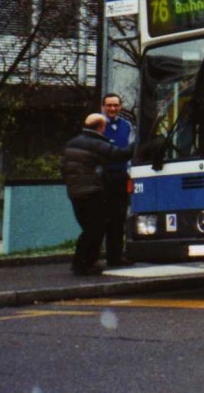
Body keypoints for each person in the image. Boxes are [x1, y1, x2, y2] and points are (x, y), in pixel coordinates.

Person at [60, 113, 133, 276]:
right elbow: (119, 154)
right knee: (96, 228)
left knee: (88, 228)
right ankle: (84, 264)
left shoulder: (73, 142)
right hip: (91, 190)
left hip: (75, 191)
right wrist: (137, 145)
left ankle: (82, 263)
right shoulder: (95, 143)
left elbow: (63, 168)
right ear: (101, 127)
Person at [99, 93, 134, 266]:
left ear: (120, 107)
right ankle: (98, 257)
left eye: (115, 105)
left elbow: (131, 149)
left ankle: (116, 256)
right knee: (103, 218)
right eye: (109, 105)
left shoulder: (127, 126)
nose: (112, 109)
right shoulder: (98, 125)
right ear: (103, 107)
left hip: (121, 176)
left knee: (119, 217)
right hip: (103, 177)